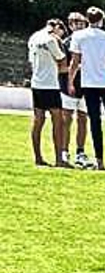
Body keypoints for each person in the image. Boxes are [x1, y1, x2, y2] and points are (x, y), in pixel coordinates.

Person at [67, 7, 105, 171]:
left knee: (95, 121)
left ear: (87, 19)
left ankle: (100, 160)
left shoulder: (79, 36)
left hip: (89, 83)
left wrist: (70, 82)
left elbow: (74, 62)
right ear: (101, 20)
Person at [27, 18, 69, 168]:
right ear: (57, 28)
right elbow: (61, 60)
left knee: (38, 119)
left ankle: (38, 157)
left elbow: (31, 61)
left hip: (36, 83)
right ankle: (59, 159)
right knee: (58, 120)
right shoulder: (51, 40)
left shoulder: (33, 38)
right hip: (50, 84)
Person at [62, 13, 92, 169]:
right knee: (66, 119)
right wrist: (70, 79)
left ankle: (80, 151)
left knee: (83, 118)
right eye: (75, 23)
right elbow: (62, 65)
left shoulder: (89, 42)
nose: (79, 26)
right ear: (70, 25)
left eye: (81, 23)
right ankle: (64, 150)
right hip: (70, 85)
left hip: (86, 85)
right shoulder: (66, 43)